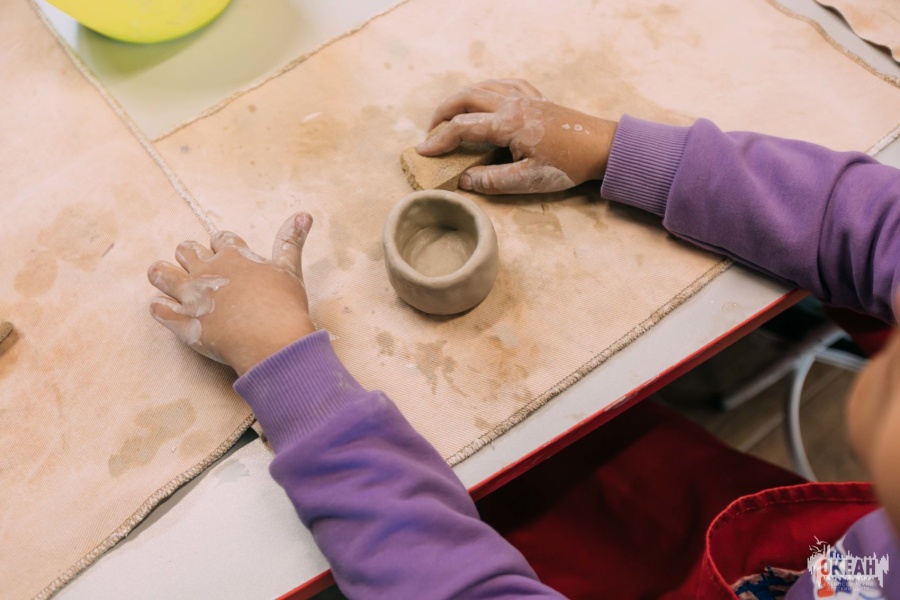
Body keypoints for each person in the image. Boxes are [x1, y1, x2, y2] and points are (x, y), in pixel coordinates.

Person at [147, 79, 900, 598]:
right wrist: (623, 152)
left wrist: (288, 372)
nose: (881, 368)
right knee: (584, 457)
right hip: (802, 555)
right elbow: (873, 223)